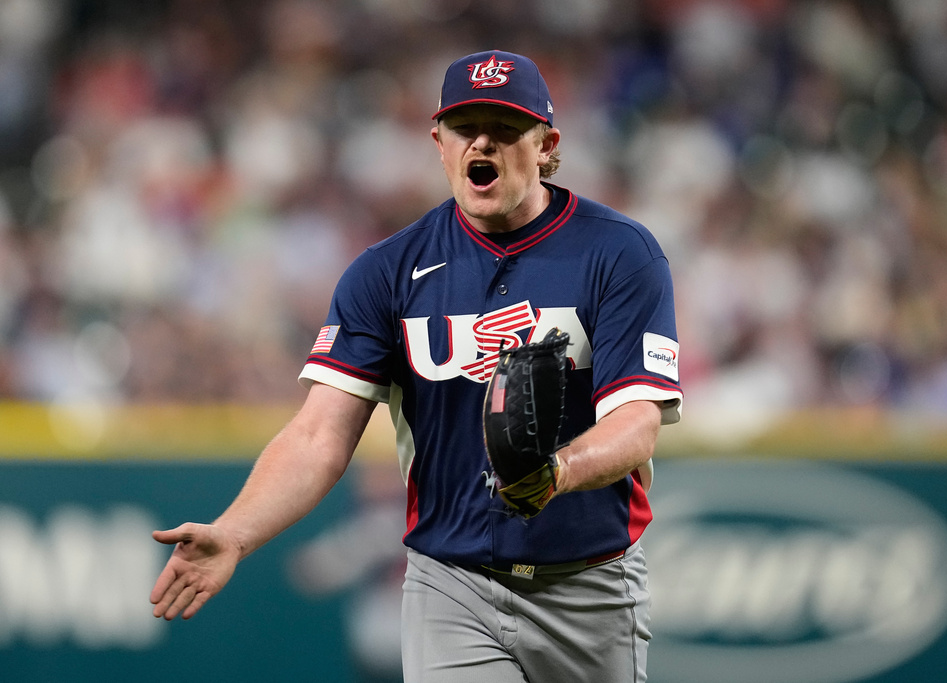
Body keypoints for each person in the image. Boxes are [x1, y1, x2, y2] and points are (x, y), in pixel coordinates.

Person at [150, 50, 683, 683]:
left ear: (547, 144)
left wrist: (557, 473)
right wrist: (235, 532)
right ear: (439, 142)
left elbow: (636, 424)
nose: (482, 140)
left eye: (505, 126)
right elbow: (318, 435)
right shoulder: (388, 270)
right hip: (450, 581)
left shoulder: (618, 252)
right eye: (465, 126)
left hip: (590, 580)